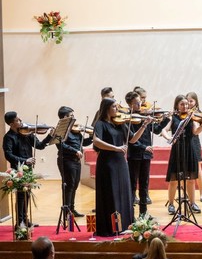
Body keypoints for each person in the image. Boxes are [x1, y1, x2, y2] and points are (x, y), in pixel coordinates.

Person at [93, 98, 152, 237]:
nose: (117, 109)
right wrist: (116, 148)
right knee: (111, 194)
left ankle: (125, 225)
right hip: (107, 163)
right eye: (114, 107)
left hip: (121, 163)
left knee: (123, 193)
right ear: (106, 108)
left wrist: (144, 125)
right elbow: (96, 142)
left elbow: (132, 140)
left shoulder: (120, 123)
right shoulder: (100, 124)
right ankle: (112, 227)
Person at [3, 111, 53, 227]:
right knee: (21, 196)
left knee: (27, 195)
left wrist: (50, 136)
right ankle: (19, 223)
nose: (20, 120)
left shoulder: (27, 133)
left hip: (28, 170)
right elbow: (8, 155)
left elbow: (39, 146)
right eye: (17, 120)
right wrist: (25, 160)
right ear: (11, 124)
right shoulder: (8, 137)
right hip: (17, 171)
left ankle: (25, 220)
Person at [126, 91, 170, 215]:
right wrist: (143, 147)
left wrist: (165, 119)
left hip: (146, 155)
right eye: (135, 103)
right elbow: (130, 140)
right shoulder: (128, 119)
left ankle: (143, 213)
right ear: (129, 105)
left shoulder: (145, 116)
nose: (139, 105)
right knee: (133, 184)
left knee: (144, 185)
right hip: (134, 155)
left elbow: (156, 130)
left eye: (140, 102)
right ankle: (130, 214)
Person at [164, 95, 202, 215]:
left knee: (191, 180)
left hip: (190, 149)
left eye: (186, 104)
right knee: (174, 180)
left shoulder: (191, 117)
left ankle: (193, 203)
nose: (185, 106)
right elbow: (164, 130)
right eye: (182, 104)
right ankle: (172, 204)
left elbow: (195, 132)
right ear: (177, 106)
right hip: (177, 149)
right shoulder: (173, 118)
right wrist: (169, 137)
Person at [56, 106, 93, 218]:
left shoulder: (76, 130)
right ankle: (66, 210)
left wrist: (91, 136)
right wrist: (75, 151)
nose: (74, 118)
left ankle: (71, 209)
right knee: (69, 185)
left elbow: (83, 143)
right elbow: (60, 145)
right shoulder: (61, 130)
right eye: (71, 115)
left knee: (75, 185)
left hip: (76, 161)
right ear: (64, 117)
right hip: (66, 160)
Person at [186, 92, 202, 202]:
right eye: (187, 101)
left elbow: (197, 130)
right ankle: (187, 194)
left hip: (194, 142)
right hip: (184, 142)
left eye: (191, 101)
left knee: (198, 169)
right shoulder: (183, 113)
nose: (189, 103)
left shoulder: (198, 114)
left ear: (195, 102)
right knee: (185, 169)